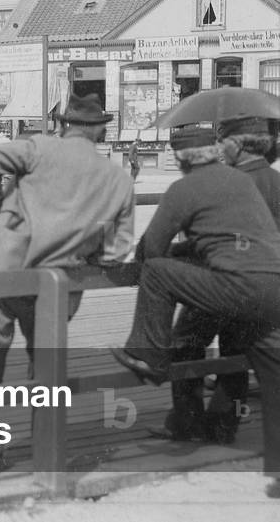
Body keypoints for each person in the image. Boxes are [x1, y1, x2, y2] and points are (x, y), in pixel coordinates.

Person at [0, 93, 134, 473]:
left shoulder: (40, 148)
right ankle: (46, 447)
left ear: (62, 124)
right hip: (58, 284)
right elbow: (118, 250)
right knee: (45, 368)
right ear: (101, 130)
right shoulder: (118, 180)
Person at [111, 126, 280, 498]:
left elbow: (153, 249)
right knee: (273, 376)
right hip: (274, 287)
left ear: (180, 158)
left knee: (157, 274)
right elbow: (229, 237)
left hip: (236, 286)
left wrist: (146, 260)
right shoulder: (240, 181)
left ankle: (149, 353)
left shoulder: (183, 189)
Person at [148, 117, 280, 445]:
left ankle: (187, 423)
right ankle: (223, 427)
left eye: (225, 141)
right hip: (265, 284)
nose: (221, 148)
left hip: (217, 280)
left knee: (186, 345)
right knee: (236, 354)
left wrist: (181, 250)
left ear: (237, 145)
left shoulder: (232, 181)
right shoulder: (275, 181)